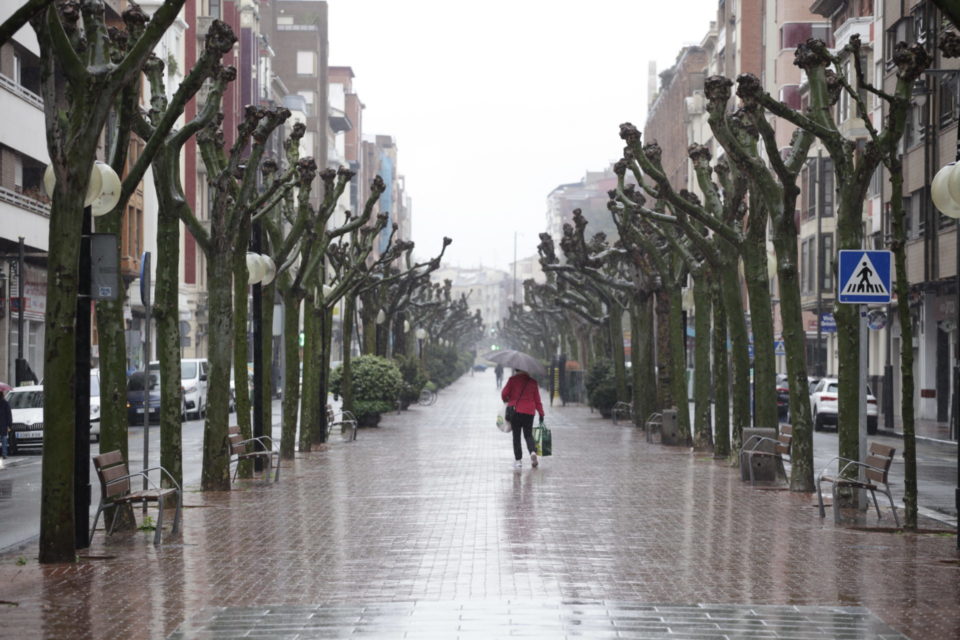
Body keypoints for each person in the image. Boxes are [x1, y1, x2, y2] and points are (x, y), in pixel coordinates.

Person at [501, 368, 544, 468]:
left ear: (516, 370)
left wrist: (507, 400)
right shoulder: (533, 382)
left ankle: (518, 460)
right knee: (528, 435)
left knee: (516, 436)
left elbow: (504, 394)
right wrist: (541, 413)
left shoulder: (512, 380)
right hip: (529, 412)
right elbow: (537, 400)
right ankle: (532, 451)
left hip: (515, 411)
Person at [0, 389, 11, 461]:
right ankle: (4, 454)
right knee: (4, 439)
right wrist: (9, 425)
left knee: (4, 439)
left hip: (3, 424)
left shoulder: (5, 403)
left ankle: (4, 453)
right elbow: (9, 415)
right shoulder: (5, 403)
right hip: (3, 424)